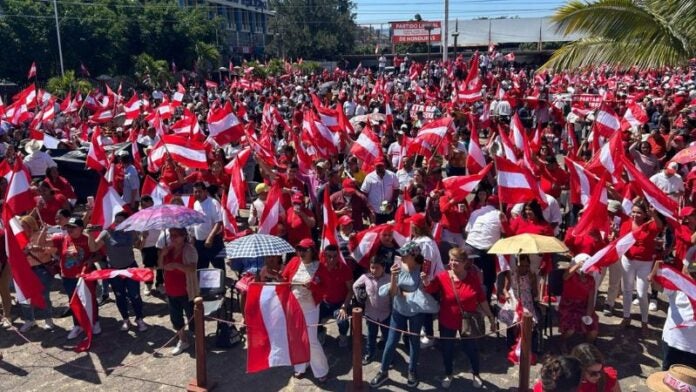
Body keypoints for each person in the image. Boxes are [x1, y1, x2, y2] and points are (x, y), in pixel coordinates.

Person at [423, 247, 496, 389]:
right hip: (447, 320)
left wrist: (490, 317)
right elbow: (431, 289)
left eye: (456, 260)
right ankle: (448, 373)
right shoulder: (442, 276)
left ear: (465, 262)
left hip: (468, 322)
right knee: (447, 350)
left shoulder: (472, 279)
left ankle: (476, 373)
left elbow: (482, 300)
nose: (452, 263)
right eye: (451, 259)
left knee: (471, 349)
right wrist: (426, 281)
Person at [370, 241, 429, 388]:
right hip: (399, 310)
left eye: (404, 253)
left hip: (416, 311)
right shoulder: (397, 263)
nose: (400, 255)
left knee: (414, 342)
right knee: (391, 341)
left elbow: (425, 290)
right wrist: (393, 278)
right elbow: (392, 292)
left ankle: (412, 371)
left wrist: (425, 282)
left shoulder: (423, 267)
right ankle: (383, 371)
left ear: (413, 256)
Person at [88, 211, 148, 332]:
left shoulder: (131, 232)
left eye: (122, 221)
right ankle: (125, 319)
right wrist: (90, 234)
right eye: (117, 220)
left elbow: (139, 246)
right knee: (119, 296)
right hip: (114, 271)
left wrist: (144, 237)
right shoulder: (107, 233)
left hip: (130, 268)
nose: (118, 223)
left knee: (135, 295)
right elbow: (93, 247)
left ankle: (139, 319)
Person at [281, 238, 329, 383]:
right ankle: (301, 366)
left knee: (311, 340)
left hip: (310, 307)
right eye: (299, 249)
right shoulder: (294, 261)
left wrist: (312, 285)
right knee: (296, 338)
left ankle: (321, 369)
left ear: (312, 251)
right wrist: (275, 277)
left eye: (304, 250)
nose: (300, 252)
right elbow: (284, 278)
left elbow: (325, 289)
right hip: (293, 306)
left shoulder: (320, 267)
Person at [51, 218, 100, 340]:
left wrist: (91, 260)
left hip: (85, 277)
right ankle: (78, 325)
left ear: (81, 228)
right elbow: (45, 242)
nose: (69, 229)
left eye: (73, 227)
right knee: (73, 302)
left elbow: (99, 254)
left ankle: (95, 322)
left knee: (90, 299)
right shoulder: (62, 238)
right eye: (68, 227)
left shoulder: (87, 239)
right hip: (67, 277)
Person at [619, 200, 663, 334]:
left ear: (645, 215)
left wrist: (654, 215)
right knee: (627, 290)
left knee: (642, 293)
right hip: (628, 260)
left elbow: (660, 226)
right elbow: (621, 241)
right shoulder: (626, 224)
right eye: (633, 212)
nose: (635, 215)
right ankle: (626, 317)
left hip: (645, 262)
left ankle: (644, 321)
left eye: (639, 212)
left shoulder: (650, 225)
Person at [649, 259, 696, 370]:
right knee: (668, 376)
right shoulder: (677, 286)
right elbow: (656, 286)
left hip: (694, 349)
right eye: (692, 274)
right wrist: (654, 271)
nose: (693, 277)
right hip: (673, 342)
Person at [158, 227, 199, 355]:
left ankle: (199, 341)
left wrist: (176, 265)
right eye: (171, 235)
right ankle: (183, 340)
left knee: (193, 318)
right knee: (176, 318)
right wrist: (162, 255)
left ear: (183, 236)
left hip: (187, 290)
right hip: (171, 290)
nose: (172, 238)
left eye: (176, 235)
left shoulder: (189, 250)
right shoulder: (168, 249)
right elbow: (160, 266)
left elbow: (192, 268)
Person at [18, 215, 56, 332]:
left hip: (42, 270)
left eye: (23, 226)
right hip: (27, 271)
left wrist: (35, 248)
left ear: (30, 226)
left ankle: (48, 319)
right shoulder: (19, 239)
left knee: (44, 296)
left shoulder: (42, 235)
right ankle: (30, 320)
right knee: (25, 297)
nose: (21, 229)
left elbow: (50, 250)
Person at [464, 193, 504, 302]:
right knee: (488, 279)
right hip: (486, 250)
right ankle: (485, 304)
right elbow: (505, 233)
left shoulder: (476, 212)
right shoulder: (500, 215)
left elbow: (468, 230)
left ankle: (468, 301)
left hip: (470, 246)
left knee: (467, 276)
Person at [354, 256, 391, 365]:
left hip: (386, 314)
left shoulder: (389, 278)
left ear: (383, 268)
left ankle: (388, 357)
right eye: (372, 267)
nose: (373, 270)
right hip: (371, 314)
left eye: (377, 268)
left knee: (387, 337)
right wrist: (359, 295)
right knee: (371, 337)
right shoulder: (365, 277)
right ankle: (370, 354)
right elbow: (355, 285)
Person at [559, 254, 598, 353]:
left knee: (593, 331)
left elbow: (590, 299)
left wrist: (588, 315)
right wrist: (577, 265)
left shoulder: (591, 280)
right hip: (568, 306)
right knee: (570, 329)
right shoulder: (571, 276)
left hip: (583, 306)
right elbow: (565, 276)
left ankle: (587, 347)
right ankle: (562, 342)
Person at [317, 245, 353, 348]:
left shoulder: (345, 269)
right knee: (313, 316)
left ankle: (342, 336)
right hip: (324, 302)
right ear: (324, 256)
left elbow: (350, 290)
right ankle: (320, 332)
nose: (332, 259)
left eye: (334, 256)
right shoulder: (320, 268)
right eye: (329, 256)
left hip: (339, 303)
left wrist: (344, 307)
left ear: (338, 256)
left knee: (342, 320)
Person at [191, 182, 224, 270]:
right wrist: (193, 237)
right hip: (199, 242)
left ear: (205, 192)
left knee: (219, 268)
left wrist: (210, 237)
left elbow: (219, 222)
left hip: (213, 241)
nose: (197, 194)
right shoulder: (195, 204)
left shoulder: (213, 203)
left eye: (199, 191)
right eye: (195, 192)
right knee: (201, 269)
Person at [360, 158, 400, 224]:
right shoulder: (369, 177)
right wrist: (366, 209)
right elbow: (364, 193)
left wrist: (392, 202)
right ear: (374, 166)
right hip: (375, 211)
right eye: (377, 166)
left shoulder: (392, 176)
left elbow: (396, 190)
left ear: (384, 165)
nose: (380, 168)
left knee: (388, 230)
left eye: (381, 166)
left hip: (388, 210)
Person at [139, 196, 163, 295]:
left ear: (152, 203)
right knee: (148, 266)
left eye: (147, 204)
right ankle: (148, 284)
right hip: (146, 245)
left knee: (160, 265)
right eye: (143, 204)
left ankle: (160, 284)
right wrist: (142, 235)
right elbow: (137, 230)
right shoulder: (140, 215)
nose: (145, 206)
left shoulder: (159, 213)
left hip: (159, 243)